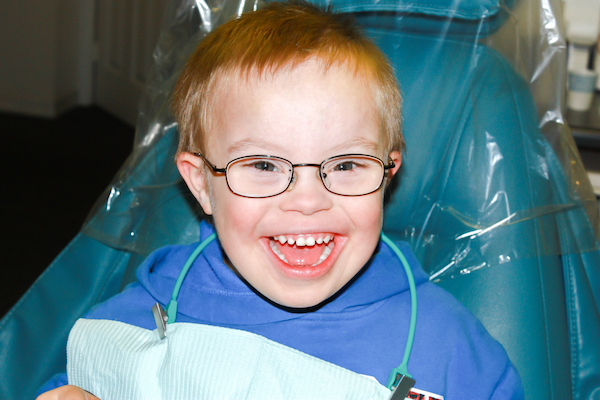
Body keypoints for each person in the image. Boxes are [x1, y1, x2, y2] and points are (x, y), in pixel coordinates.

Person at [37, 1, 524, 398]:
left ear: (388, 173)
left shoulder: (452, 350)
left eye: (346, 165)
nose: (307, 201)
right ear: (202, 183)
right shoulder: (138, 320)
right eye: (265, 166)